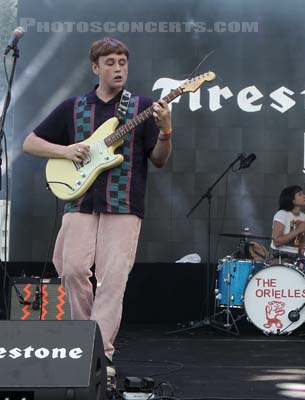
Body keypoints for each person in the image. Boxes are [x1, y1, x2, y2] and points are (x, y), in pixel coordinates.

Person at [22, 37, 173, 391]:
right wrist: (67, 149)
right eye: (111, 62)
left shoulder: (142, 107)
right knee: (71, 268)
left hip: (123, 203)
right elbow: (30, 143)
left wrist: (166, 129)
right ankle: (82, 341)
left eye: (123, 62)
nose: (118, 68)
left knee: (111, 281)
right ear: (96, 67)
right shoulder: (74, 107)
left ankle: (99, 357)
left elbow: (160, 159)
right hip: (79, 200)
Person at [268, 185, 305, 265]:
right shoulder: (282, 214)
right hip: (279, 256)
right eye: (300, 194)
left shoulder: (304, 217)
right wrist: (298, 230)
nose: (304, 196)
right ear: (292, 199)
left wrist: (303, 255)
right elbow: (277, 242)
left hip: (295, 257)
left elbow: (301, 243)